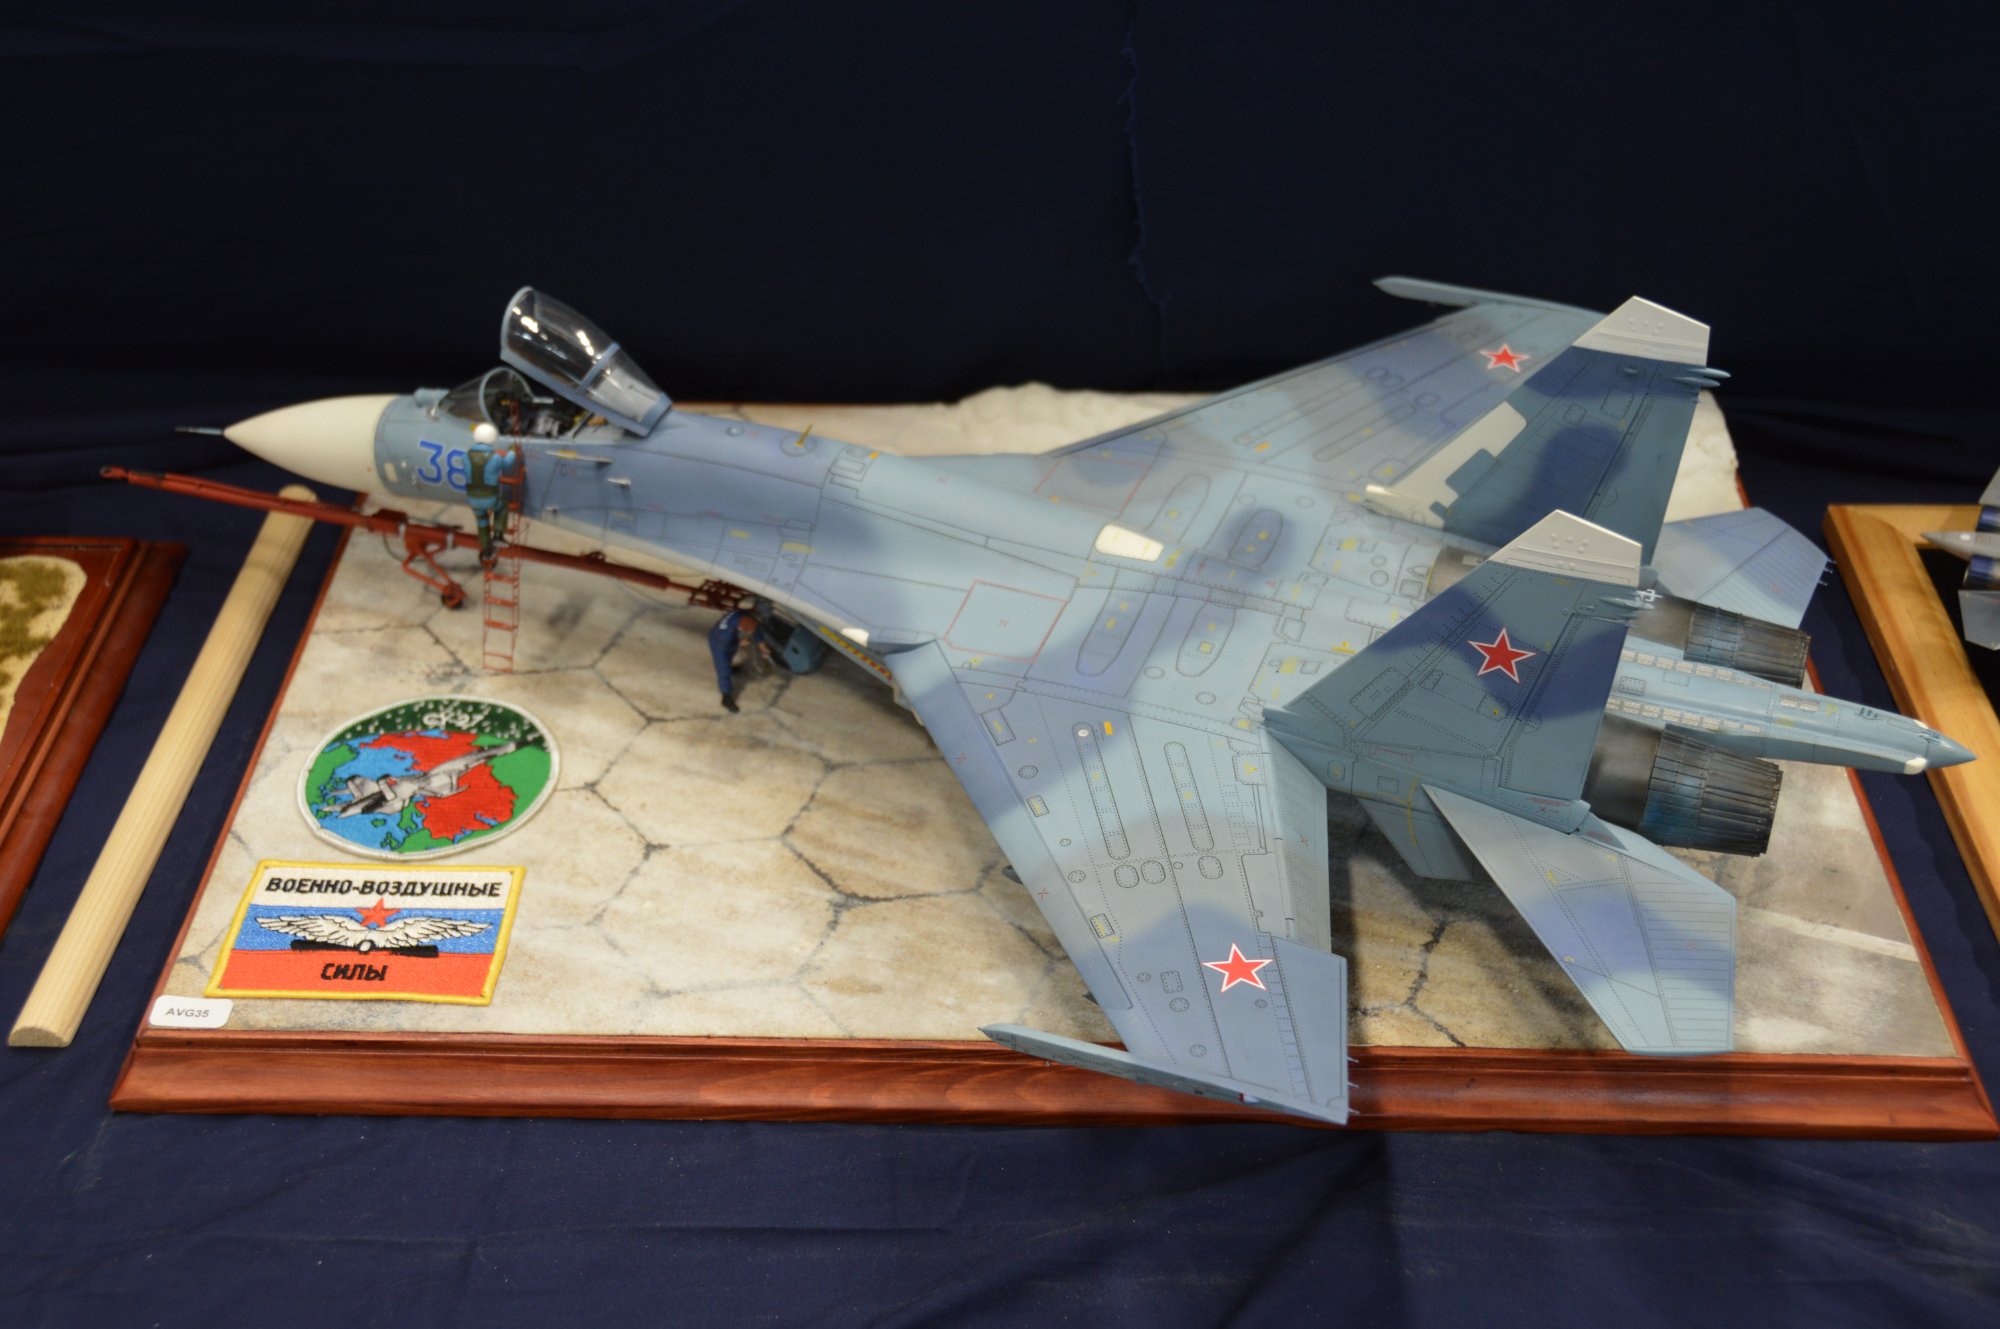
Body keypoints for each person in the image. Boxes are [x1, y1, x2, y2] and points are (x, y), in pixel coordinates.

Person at [465, 423, 520, 565]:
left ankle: (487, 549)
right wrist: (512, 451)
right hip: (489, 498)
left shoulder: (466, 456)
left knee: (482, 522)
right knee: (502, 507)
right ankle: (498, 535)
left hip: (471, 498)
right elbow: (508, 463)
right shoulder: (494, 458)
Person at [708, 607, 774, 713]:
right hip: (718, 643)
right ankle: (726, 698)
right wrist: (740, 643)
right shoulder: (725, 634)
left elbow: (755, 628)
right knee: (723, 669)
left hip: (727, 638)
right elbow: (726, 646)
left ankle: (730, 668)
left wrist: (761, 643)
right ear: (741, 628)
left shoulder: (744, 615)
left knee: (730, 656)